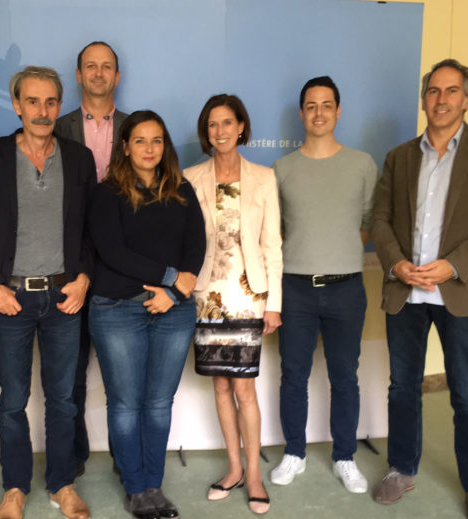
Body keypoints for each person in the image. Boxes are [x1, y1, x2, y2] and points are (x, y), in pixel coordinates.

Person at [371, 59, 468, 519]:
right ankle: (401, 468)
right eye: (433, 91)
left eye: (451, 91)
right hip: (406, 292)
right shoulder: (400, 157)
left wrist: (452, 266)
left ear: (467, 99)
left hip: (461, 292)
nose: (441, 99)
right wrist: (396, 263)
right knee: (402, 387)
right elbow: (381, 219)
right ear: (424, 99)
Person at [0, 66, 96, 519]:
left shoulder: (78, 158)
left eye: (51, 101)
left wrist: (84, 277)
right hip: (11, 299)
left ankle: (62, 484)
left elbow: (91, 228)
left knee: (63, 399)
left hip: (63, 297)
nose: (42, 111)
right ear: (16, 105)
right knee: (13, 401)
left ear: (60, 105)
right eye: (32, 101)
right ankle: (16, 488)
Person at [88, 110, 206, 519]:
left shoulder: (181, 188)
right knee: (125, 404)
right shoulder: (107, 194)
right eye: (140, 140)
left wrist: (174, 293)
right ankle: (135, 488)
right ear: (125, 147)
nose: (149, 148)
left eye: (157, 140)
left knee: (158, 403)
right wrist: (172, 277)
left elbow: (196, 244)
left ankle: (154, 485)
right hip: (118, 310)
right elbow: (113, 252)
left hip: (173, 311)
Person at [270, 76, 378, 493]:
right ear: (301, 114)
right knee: (293, 375)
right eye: (311, 106)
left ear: (338, 111)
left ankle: (345, 457)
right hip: (295, 288)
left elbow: (367, 224)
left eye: (326, 105)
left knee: (345, 376)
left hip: (346, 287)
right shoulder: (282, 169)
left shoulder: (362, 165)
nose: (319, 113)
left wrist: (337, 253)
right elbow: (276, 231)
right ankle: (294, 453)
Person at [184, 94, 282, 514]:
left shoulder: (264, 177)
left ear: (241, 127)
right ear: (206, 132)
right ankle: (234, 469)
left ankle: (255, 475)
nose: (220, 131)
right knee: (220, 385)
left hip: (248, 296)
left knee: (244, 387)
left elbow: (272, 245)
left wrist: (274, 303)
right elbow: (185, 240)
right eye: (212, 124)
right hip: (207, 296)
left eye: (227, 122)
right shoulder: (190, 178)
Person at [55, 41, 128, 473]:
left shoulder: (137, 128)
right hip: (70, 266)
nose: (98, 73)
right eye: (90, 66)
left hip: (123, 266)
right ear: (79, 75)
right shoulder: (56, 127)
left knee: (123, 374)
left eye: (107, 67)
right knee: (71, 372)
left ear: (117, 76)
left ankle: (125, 455)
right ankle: (74, 454)